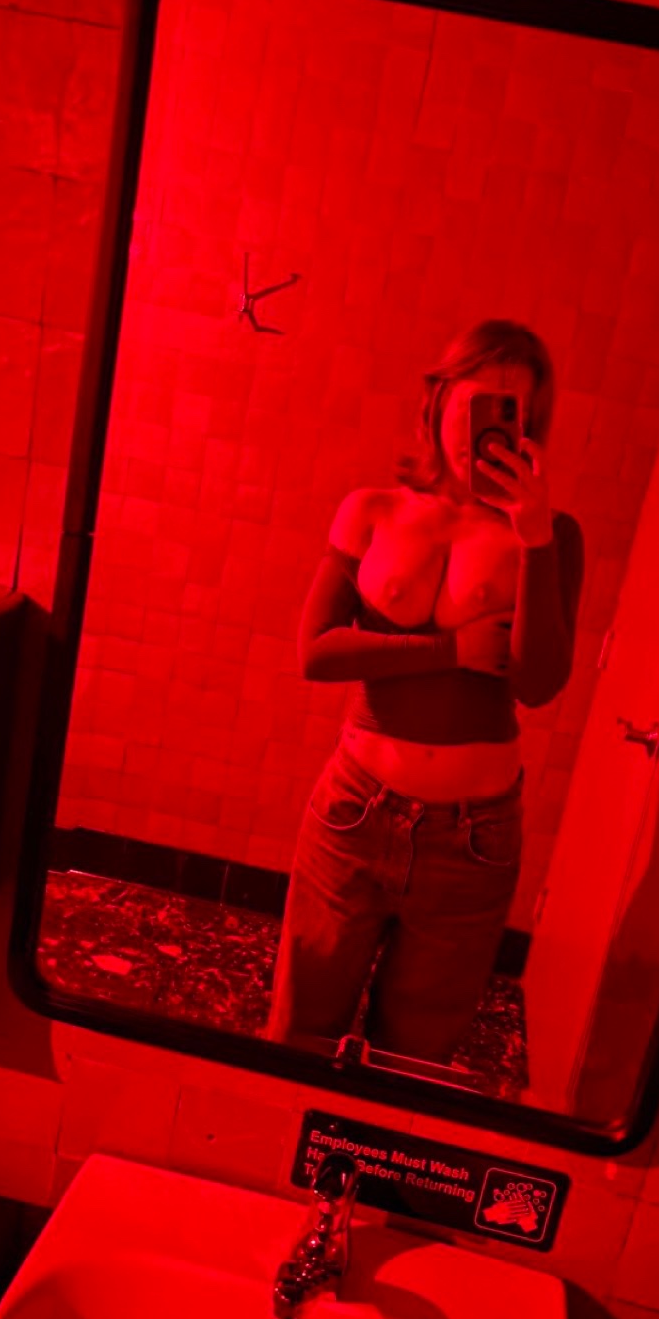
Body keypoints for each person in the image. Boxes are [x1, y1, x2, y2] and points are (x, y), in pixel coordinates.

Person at [266, 319, 584, 1066]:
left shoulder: (552, 535)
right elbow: (317, 651)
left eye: (512, 411)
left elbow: (539, 684)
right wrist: (450, 650)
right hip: (355, 811)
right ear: (440, 399)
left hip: (474, 838)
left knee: (415, 1056)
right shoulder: (372, 509)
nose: (487, 430)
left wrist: (534, 537)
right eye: (477, 403)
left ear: (530, 427)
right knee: (298, 1032)